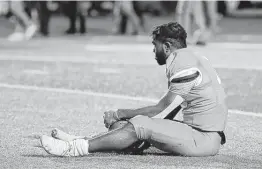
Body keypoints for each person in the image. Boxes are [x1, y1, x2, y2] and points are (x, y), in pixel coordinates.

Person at [36, 22, 228, 157]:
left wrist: (119, 114)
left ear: (167, 46)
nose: (154, 51)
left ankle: (75, 149)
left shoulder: (181, 63)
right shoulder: (194, 57)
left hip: (202, 138)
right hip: (199, 133)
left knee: (139, 125)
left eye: (156, 45)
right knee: (133, 125)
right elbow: (173, 108)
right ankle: (82, 140)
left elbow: (161, 109)